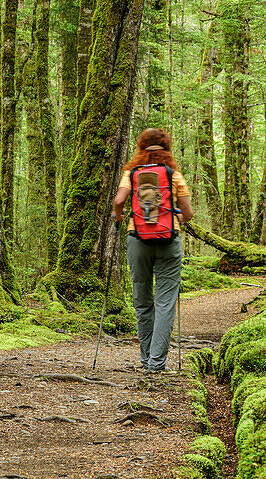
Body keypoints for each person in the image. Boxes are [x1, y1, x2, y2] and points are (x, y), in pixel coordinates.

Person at [112, 128, 193, 373]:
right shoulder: (173, 175)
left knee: (142, 301)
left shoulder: (131, 173)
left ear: (141, 147)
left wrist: (119, 217)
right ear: (166, 148)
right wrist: (174, 214)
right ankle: (157, 363)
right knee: (165, 302)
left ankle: (146, 359)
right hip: (169, 241)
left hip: (137, 240)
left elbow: (118, 201)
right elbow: (187, 214)